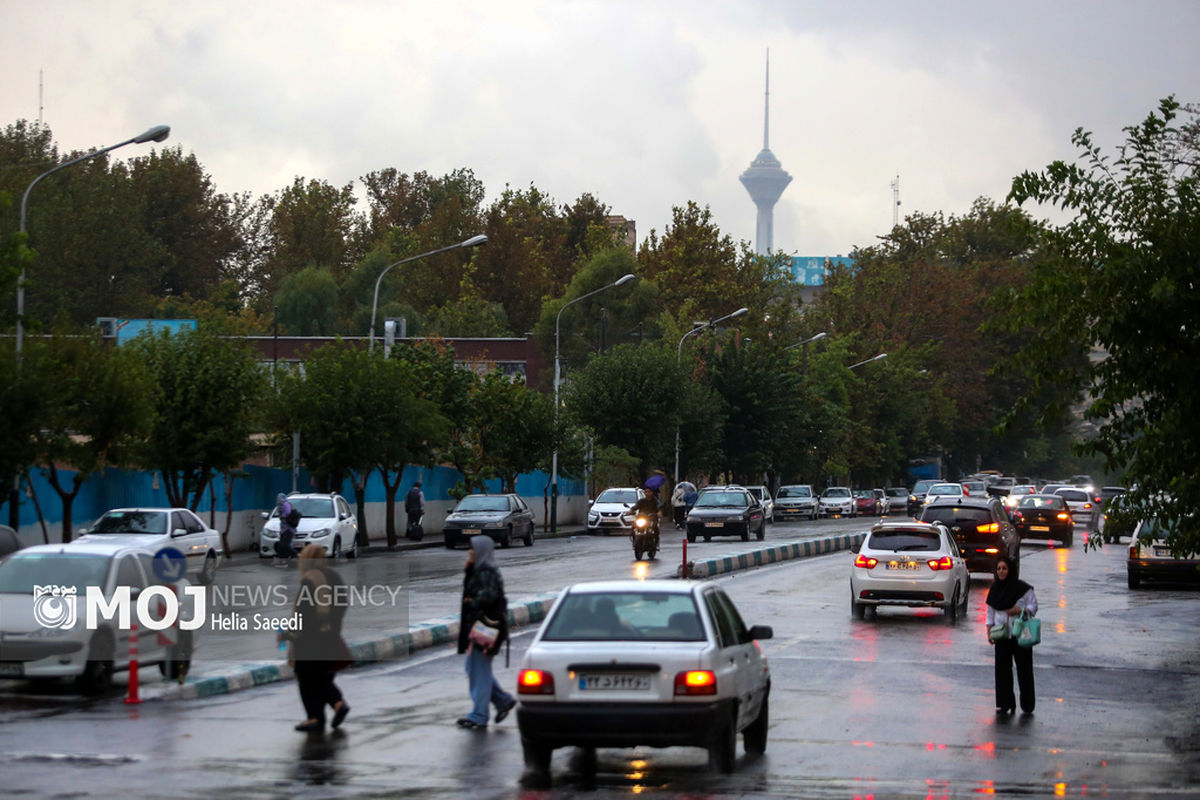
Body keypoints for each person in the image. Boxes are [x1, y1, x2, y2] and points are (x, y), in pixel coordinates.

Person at [284, 544, 351, 732]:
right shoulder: (333, 575)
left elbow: (303, 612)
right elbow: (342, 603)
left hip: (311, 639)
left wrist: (292, 633)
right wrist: (334, 625)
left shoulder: (310, 580)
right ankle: (333, 708)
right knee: (323, 677)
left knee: (307, 678)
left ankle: (316, 716)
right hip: (332, 636)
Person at [456, 535, 515, 730]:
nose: (469, 552)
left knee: (478, 671)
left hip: (485, 629)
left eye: (472, 549)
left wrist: (472, 602)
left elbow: (489, 596)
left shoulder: (487, 571)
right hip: (481, 629)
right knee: (475, 669)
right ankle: (502, 700)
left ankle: (479, 715)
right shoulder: (480, 569)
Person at [985, 556, 1038, 716]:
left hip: (1021, 633)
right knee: (1002, 670)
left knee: (1024, 669)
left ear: (1011, 570)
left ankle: (1027, 705)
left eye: (1004, 568)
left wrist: (1019, 611)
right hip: (1002, 634)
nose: (1001, 572)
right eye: (999, 568)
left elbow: (1033, 606)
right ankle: (1004, 703)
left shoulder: (1023, 589)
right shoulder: (994, 590)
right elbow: (990, 613)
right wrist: (989, 631)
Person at [274, 492, 299, 565]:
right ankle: (283, 559)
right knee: (282, 544)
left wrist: (282, 516)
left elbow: (287, 513)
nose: (278, 500)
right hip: (283, 528)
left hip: (288, 528)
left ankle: (296, 555)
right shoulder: (279, 506)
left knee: (285, 545)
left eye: (279, 498)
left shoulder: (285, 504)